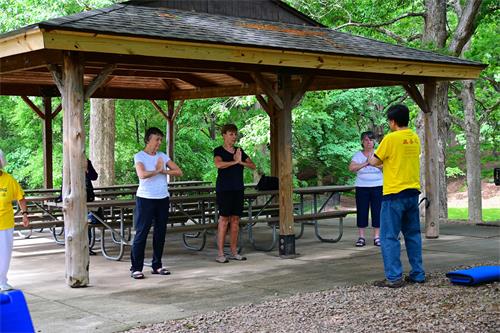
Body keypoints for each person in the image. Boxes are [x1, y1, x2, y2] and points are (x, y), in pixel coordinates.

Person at [368, 104, 425, 288]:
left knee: (389, 236)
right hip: (412, 192)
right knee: (413, 234)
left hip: (393, 194)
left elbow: (375, 160)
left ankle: (394, 277)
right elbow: (404, 159)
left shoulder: (390, 139)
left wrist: (373, 160)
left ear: (392, 121)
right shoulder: (414, 137)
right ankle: (417, 273)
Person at [130, 127, 183, 279]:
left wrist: (163, 171)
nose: (159, 143)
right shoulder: (139, 156)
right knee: (142, 233)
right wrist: (157, 170)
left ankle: (157, 265)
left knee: (160, 233)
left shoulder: (162, 156)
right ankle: (136, 268)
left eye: (160, 140)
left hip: (162, 198)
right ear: (148, 140)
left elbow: (178, 171)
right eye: (156, 140)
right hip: (145, 199)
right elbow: (142, 174)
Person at [214, 124, 256, 263]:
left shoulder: (240, 151)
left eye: (235, 134)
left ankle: (233, 251)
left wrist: (241, 162)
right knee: (224, 220)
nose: (234, 137)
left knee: (236, 220)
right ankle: (220, 253)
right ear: (224, 135)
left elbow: (252, 165)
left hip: (238, 189)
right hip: (224, 189)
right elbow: (219, 164)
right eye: (231, 134)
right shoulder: (218, 150)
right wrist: (234, 162)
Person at [0, 149, 29, 291]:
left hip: (5, 223)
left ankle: (2, 282)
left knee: (4, 254)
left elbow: (21, 197)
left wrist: (24, 214)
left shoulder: (9, 180)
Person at [349, 131, 383, 247]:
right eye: (366, 140)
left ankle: (377, 237)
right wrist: (365, 163)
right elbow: (351, 168)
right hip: (362, 187)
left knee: (377, 211)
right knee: (362, 211)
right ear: (362, 142)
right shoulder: (358, 155)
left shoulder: (379, 153)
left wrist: (374, 164)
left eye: (370, 140)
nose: (368, 142)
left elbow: (386, 166)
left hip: (378, 186)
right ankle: (361, 237)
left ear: (374, 142)